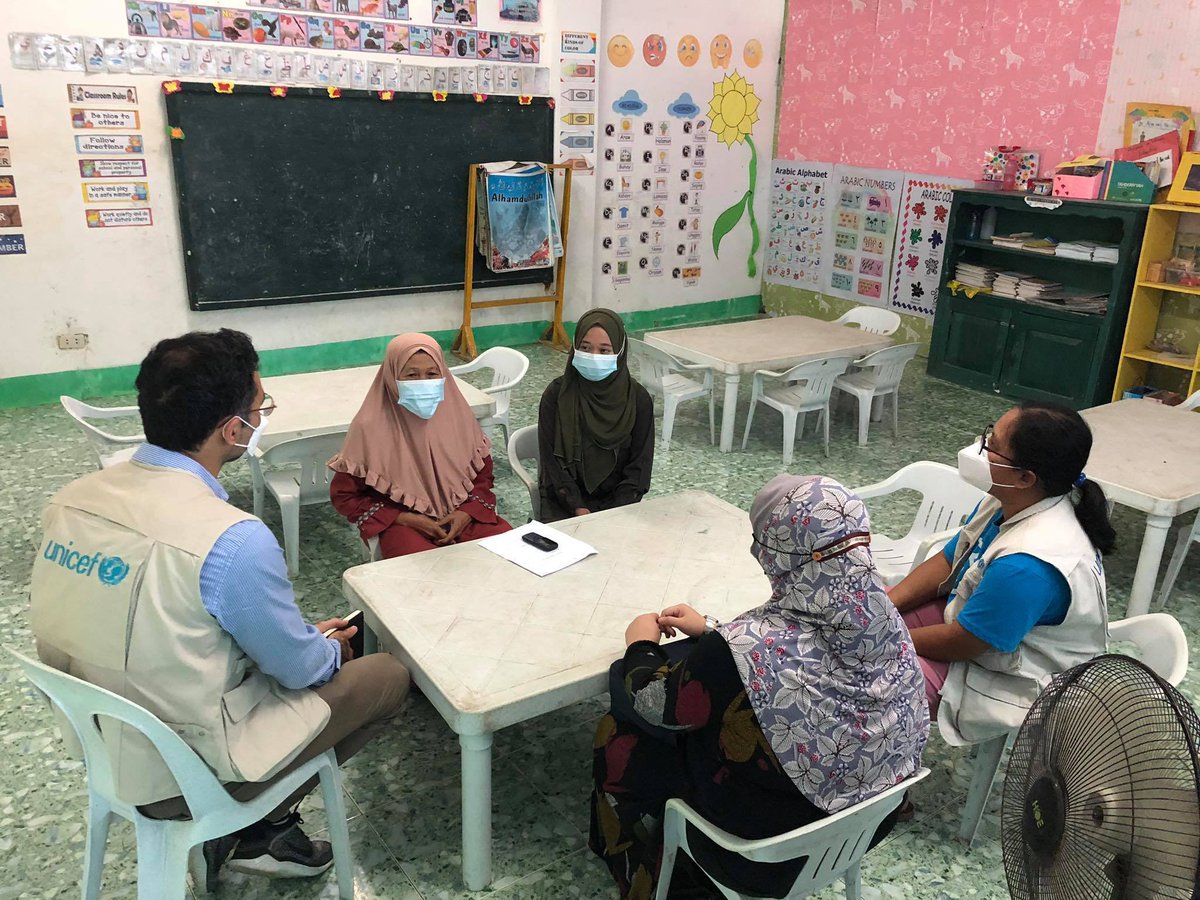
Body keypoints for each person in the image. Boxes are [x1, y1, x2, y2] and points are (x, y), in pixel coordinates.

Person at [30, 329, 410, 889]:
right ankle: (251, 826)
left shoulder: (71, 500)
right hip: (186, 772)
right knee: (385, 677)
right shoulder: (231, 539)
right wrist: (329, 648)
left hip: (105, 745)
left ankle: (260, 830)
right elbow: (301, 671)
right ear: (233, 431)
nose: (260, 417)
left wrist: (295, 639)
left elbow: (163, 618)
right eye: (260, 408)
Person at [590, 476, 928, 900]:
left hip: (762, 856)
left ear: (774, 553)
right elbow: (804, 650)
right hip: (865, 828)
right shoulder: (885, 622)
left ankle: (643, 873)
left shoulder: (742, 647)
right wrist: (713, 628)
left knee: (618, 733)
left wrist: (640, 644)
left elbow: (655, 706)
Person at [888, 401, 1113, 745]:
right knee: (864, 622)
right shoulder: (1010, 499)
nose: (979, 448)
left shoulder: (1030, 564)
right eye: (988, 435)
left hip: (1015, 678)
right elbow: (951, 560)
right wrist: (885, 606)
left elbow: (966, 642)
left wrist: (886, 640)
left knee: (868, 674)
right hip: (978, 627)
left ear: (1025, 478)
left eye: (992, 446)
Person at [329, 333, 511, 557]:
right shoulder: (369, 426)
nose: (423, 382)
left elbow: (483, 475)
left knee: (507, 555)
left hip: (463, 514)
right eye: (412, 375)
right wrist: (403, 518)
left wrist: (466, 512)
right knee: (421, 569)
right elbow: (345, 496)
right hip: (403, 524)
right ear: (392, 376)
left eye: (432, 374)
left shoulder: (458, 416)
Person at [538, 308, 654, 522]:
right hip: (564, 502)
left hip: (619, 506)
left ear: (620, 352)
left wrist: (613, 513)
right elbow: (551, 465)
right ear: (574, 347)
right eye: (585, 348)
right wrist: (577, 507)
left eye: (604, 350)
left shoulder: (638, 400)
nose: (593, 356)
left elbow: (639, 468)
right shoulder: (556, 396)